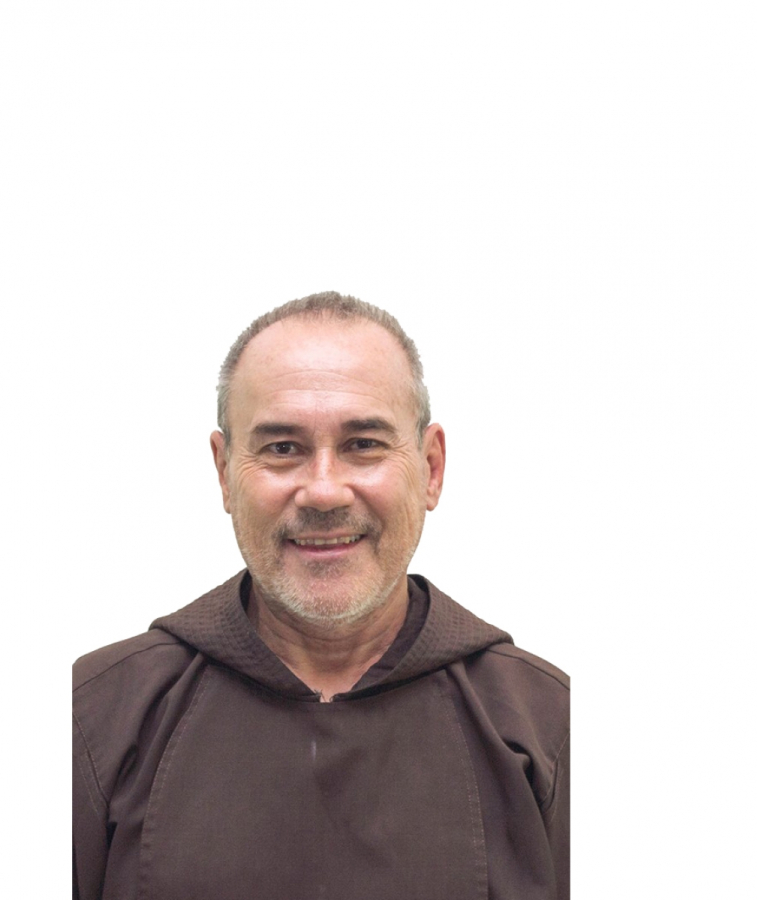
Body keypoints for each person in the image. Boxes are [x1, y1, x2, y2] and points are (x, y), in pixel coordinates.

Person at [72, 291, 570, 900]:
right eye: (283, 449)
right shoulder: (93, 720)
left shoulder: (550, 728)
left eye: (364, 445)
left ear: (431, 467)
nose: (325, 491)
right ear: (225, 472)